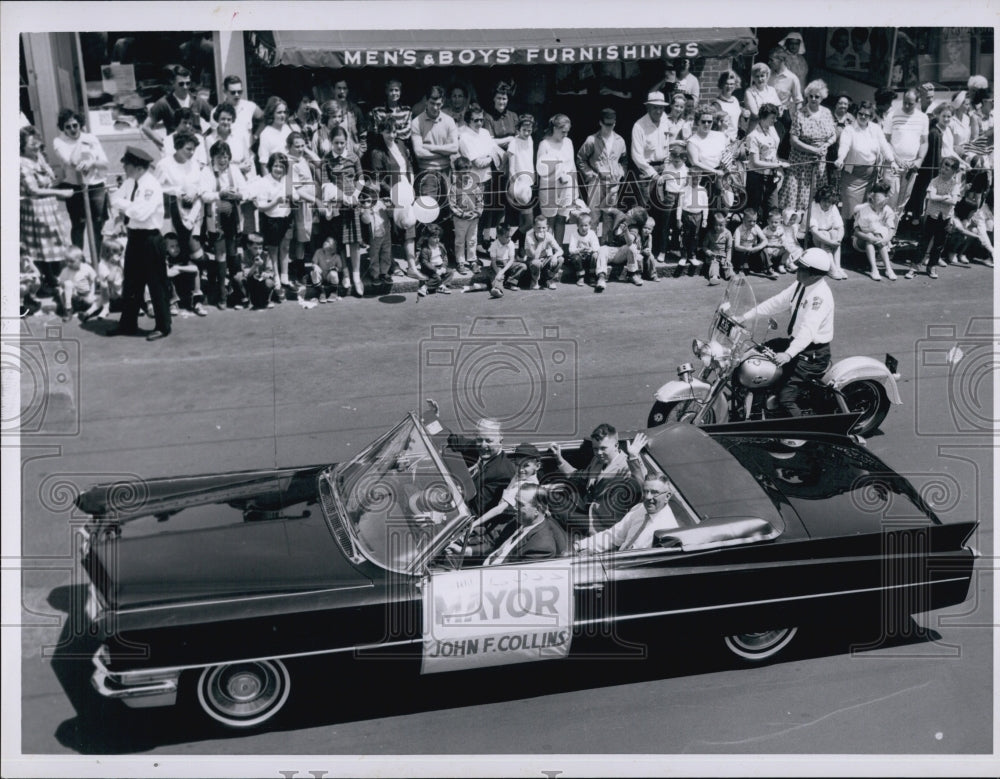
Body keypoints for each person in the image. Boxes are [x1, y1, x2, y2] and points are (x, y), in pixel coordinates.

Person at [739, 247, 835, 417]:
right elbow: (777, 302)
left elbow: (808, 331)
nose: (797, 270)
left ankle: (803, 436)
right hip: (796, 344)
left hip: (812, 354)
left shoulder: (820, 297)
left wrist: (788, 354)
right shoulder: (801, 284)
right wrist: (745, 317)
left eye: (802, 268)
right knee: (755, 353)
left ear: (816, 274)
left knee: (786, 398)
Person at [107, 146, 171, 340]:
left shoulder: (150, 185)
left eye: (127, 164)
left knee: (156, 284)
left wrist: (125, 206)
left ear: (138, 167)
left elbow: (141, 214)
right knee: (131, 284)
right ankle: (128, 323)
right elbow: (114, 198)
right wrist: (129, 206)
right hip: (134, 237)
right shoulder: (130, 182)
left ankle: (163, 325)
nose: (124, 168)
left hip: (150, 238)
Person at [549, 425, 648, 536]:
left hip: (603, 523)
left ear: (616, 445)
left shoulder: (626, 465)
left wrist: (634, 457)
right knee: (549, 498)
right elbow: (578, 477)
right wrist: (559, 459)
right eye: (595, 449)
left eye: (603, 448)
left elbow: (640, 489)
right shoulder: (597, 460)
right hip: (586, 510)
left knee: (551, 508)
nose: (599, 453)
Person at [20, 126, 73, 293]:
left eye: (37, 143)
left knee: (54, 245)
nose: (36, 147)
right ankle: (44, 281)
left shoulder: (39, 158)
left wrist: (63, 181)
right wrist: (59, 192)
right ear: (21, 145)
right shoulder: (21, 163)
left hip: (49, 208)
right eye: (31, 144)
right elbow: (33, 190)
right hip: (35, 210)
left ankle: (53, 280)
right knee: (39, 248)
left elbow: (49, 181)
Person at [574, 475, 680, 553]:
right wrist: (581, 545)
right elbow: (614, 535)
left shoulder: (668, 529)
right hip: (617, 558)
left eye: (654, 492)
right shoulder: (640, 508)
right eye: (646, 491)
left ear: (667, 496)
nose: (648, 497)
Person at [52, 108, 109, 253]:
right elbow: (70, 162)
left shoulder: (91, 138)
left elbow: (104, 163)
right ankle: (79, 262)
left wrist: (92, 163)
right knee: (78, 225)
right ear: (62, 128)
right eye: (68, 127)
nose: (72, 129)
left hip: (95, 185)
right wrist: (82, 143)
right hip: (74, 186)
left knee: (98, 224)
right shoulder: (59, 141)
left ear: (80, 124)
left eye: (75, 125)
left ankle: (98, 259)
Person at [368, 116, 418, 277]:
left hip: (406, 191)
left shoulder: (401, 144)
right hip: (389, 195)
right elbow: (378, 178)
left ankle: (412, 267)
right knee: (389, 231)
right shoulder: (377, 153)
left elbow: (409, 164)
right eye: (388, 131)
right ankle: (392, 265)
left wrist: (411, 185)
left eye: (394, 131)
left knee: (409, 227)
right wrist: (393, 192)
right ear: (381, 131)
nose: (391, 135)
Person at [202, 140, 249, 307]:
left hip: (233, 219)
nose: (223, 160)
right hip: (216, 220)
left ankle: (238, 293)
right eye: (219, 157)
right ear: (213, 157)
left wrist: (238, 195)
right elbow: (204, 195)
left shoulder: (234, 170)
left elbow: (246, 191)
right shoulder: (207, 171)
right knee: (220, 255)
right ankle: (222, 295)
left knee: (233, 255)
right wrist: (219, 194)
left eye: (226, 157)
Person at [834, 100, 897, 222]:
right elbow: (844, 145)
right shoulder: (849, 130)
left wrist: (892, 161)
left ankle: (858, 239)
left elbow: (884, 146)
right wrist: (840, 158)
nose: (863, 117)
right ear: (856, 113)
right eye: (860, 113)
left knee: (866, 210)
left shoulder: (876, 129)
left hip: (870, 178)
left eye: (866, 115)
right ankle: (846, 237)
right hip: (852, 177)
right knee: (851, 210)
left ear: (871, 116)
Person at [322, 127, 366, 296]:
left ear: (346, 142)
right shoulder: (327, 160)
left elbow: (361, 178)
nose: (339, 146)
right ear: (331, 142)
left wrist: (355, 194)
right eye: (336, 143)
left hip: (353, 205)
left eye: (342, 142)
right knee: (340, 242)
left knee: (355, 243)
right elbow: (326, 185)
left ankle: (356, 276)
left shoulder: (353, 157)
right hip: (337, 207)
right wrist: (342, 197)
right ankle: (345, 273)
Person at [780, 80, 837, 213]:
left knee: (816, 195)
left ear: (822, 97)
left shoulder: (827, 113)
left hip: (819, 164)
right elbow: (793, 140)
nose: (813, 99)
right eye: (810, 96)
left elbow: (833, 135)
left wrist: (826, 145)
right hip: (800, 162)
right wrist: (813, 150)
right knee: (796, 198)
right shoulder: (800, 114)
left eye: (817, 96)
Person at [446, 418, 517, 517]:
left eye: (489, 441)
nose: (483, 445)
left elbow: (475, 510)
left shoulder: (502, 473)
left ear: (501, 440)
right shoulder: (477, 447)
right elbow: (450, 438)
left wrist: (455, 495)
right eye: (479, 439)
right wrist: (432, 417)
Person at [576, 108, 627, 245]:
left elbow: (624, 160)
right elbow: (581, 159)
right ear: (600, 122)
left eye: (611, 124)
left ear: (615, 123)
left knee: (609, 215)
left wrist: (620, 174)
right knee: (594, 215)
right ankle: (590, 246)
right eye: (606, 124)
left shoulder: (620, 140)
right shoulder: (591, 140)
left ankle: (606, 244)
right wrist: (590, 174)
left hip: (613, 183)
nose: (609, 127)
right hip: (596, 182)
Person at [483, 483, 567, 565]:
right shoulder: (519, 521)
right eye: (515, 502)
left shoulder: (540, 547)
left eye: (520, 504)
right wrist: (471, 550)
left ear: (537, 509)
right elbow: (495, 544)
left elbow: (514, 577)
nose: (514, 507)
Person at [907, 155, 962, 279]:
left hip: (945, 218)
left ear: (954, 172)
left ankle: (932, 266)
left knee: (939, 244)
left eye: (947, 169)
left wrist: (941, 197)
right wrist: (945, 197)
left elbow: (954, 201)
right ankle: (914, 267)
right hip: (932, 216)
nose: (943, 170)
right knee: (923, 242)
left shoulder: (955, 185)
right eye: (942, 167)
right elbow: (931, 197)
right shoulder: (934, 181)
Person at [457, 104, 502, 253]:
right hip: (474, 180)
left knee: (486, 211)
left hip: (488, 178)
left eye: (481, 120)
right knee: (475, 214)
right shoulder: (464, 137)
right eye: (475, 120)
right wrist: (491, 156)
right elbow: (477, 163)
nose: (479, 123)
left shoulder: (484, 133)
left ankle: (481, 243)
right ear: (468, 121)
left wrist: (489, 156)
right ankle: (472, 248)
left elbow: (494, 151)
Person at [631, 92, 671, 252]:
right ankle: (642, 249)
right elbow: (637, 155)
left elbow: (669, 146)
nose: (658, 111)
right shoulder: (639, 126)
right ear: (648, 107)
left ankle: (660, 249)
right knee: (646, 210)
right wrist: (653, 174)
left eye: (661, 108)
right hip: (646, 171)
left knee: (664, 210)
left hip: (664, 168)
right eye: (655, 108)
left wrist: (667, 169)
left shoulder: (666, 122)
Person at [141, 66, 211, 152]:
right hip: (175, 150)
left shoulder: (198, 101)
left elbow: (215, 121)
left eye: (188, 83)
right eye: (181, 84)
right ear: (173, 83)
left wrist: (205, 138)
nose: (185, 87)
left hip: (196, 150)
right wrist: (164, 144)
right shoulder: (164, 103)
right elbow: (146, 127)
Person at [481, 81, 519, 243]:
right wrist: (509, 139)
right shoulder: (487, 116)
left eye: (504, 99)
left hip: (510, 164)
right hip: (493, 165)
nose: (502, 102)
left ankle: (499, 236)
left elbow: (519, 139)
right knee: (491, 202)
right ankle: (485, 236)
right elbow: (488, 141)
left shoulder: (513, 116)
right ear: (493, 99)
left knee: (505, 201)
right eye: (499, 98)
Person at [410, 85, 459, 206]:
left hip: (446, 171)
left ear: (443, 102)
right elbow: (419, 153)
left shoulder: (449, 121)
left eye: (438, 104)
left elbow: (454, 148)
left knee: (447, 208)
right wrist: (444, 152)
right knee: (428, 208)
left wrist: (430, 147)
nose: (435, 107)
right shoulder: (416, 122)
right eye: (432, 103)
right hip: (427, 172)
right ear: (426, 101)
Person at [252, 151, 294, 290]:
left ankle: (285, 277)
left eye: (282, 167)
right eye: (276, 166)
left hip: (286, 218)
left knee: (286, 247)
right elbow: (262, 207)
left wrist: (294, 197)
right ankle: (275, 276)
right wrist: (276, 202)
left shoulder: (286, 180)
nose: (279, 169)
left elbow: (296, 195)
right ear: (270, 166)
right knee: (273, 249)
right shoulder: (264, 182)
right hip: (271, 220)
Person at [535, 114, 577, 246]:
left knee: (562, 219)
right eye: (563, 131)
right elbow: (541, 169)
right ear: (554, 128)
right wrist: (558, 176)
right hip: (550, 187)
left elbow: (572, 165)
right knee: (549, 220)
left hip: (567, 186)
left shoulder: (568, 142)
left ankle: (558, 251)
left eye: (567, 132)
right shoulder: (544, 144)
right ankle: (547, 250)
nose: (565, 134)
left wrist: (575, 189)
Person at [886, 89, 929, 216]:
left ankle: (892, 231)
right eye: (904, 102)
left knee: (903, 201)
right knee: (891, 198)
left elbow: (924, 142)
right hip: (893, 164)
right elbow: (886, 141)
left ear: (917, 102)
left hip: (911, 166)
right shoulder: (892, 115)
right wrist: (896, 159)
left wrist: (919, 160)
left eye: (910, 104)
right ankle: (885, 231)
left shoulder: (923, 118)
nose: (906, 106)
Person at [285, 131, 318, 286]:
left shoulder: (302, 158)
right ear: (289, 147)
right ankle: (300, 272)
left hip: (309, 203)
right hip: (302, 203)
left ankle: (303, 267)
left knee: (306, 236)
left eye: (302, 145)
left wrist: (305, 149)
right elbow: (297, 190)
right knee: (300, 238)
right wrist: (316, 200)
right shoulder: (291, 163)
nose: (300, 149)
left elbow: (318, 162)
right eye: (296, 146)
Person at [745, 104, 788, 217]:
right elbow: (755, 162)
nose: (775, 120)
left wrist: (777, 165)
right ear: (763, 118)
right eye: (772, 118)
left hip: (770, 177)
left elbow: (772, 153)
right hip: (756, 177)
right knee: (753, 212)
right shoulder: (753, 136)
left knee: (773, 211)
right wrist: (777, 165)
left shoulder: (771, 132)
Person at [852, 182, 898, 281]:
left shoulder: (887, 210)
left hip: (879, 239)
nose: (881, 204)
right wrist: (868, 237)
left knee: (877, 235)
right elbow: (856, 232)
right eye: (878, 201)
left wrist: (886, 240)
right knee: (869, 235)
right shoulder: (863, 209)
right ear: (872, 199)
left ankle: (888, 269)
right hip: (861, 240)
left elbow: (891, 229)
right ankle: (874, 269)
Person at [686, 107, 730, 208]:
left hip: (721, 176)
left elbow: (727, 153)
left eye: (709, 121)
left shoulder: (720, 136)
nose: (707, 124)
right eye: (703, 121)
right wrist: (715, 172)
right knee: (706, 208)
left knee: (722, 208)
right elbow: (695, 162)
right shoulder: (692, 141)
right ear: (698, 122)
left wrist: (727, 166)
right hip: (703, 179)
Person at [448, 155, 484, 274]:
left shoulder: (475, 186)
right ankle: (460, 261)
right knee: (460, 240)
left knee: (472, 239)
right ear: (457, 173)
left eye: (468, 172)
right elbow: (452, 205)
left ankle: (472, 260)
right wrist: (462, 214)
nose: (466, 175)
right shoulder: (454, 188)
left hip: (473, 218)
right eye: (463, 173)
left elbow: (480, 201)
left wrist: (477, 212)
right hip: (460, 219)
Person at [656, 142, 689, 256]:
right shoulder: (667, 168)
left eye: (678, 161)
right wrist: (661, 196)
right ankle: (662, 250)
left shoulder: (686, 170)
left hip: (681, 197)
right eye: (674, 160)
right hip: (669, 197)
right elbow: (660, 183)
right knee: (665, 224)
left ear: (684, 159)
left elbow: (688, 187)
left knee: (678, 223)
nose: (676, 163)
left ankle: (675, 247)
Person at [506, 114, 537, 236]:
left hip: (529, 184)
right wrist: (516, 187)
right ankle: (512, 243)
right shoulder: (514, 143)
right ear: (518, 129)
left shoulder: (530, 140)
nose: (527, 133)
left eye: (529, 130)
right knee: (527, 222)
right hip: (518, 186)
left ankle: (519, 251)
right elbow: (512, 169)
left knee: (525, 222)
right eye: (524, 130)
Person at [163, 231, 206, 316]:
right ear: (166, 248)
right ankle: (173, 304)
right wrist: (182, 270)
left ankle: (197, 302)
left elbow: (195, 268)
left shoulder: (182, 255)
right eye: (172, 246)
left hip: (184, 286)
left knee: (195, 272)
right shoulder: (165, 257)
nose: (176, 248)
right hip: (172, 288)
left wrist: (178, 268)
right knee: (167, 278)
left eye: (177, 245)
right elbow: (168, 273)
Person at [809, 184, 847, 280]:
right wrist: (830, 242)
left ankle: (837, 267)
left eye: (829, 202)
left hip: (829, 237)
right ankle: (831, 268)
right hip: (815, 238)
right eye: (824, 201)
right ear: (819, 199)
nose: (827, 204)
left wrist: (838, 240)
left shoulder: (833, 207)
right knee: (825, 234)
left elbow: (840, 227)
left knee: (835, 233)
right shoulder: (813, 206)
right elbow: (814, 231)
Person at [58, 246, 100, 321]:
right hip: (73, 296)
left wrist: (91, 293)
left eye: (71, 261)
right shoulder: (65, 270)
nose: (68, 264)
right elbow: (61, 284)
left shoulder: (86, 268)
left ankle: (87, 313)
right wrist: (70, 289)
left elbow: (93, 281)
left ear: (80, 259)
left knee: (97, 300)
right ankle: (68, 310)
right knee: (67, 284)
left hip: (85, 294)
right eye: (66, 261)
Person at [676, 172, 709, 270]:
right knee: (684, 235)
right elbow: (679, 206)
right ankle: (683, 256)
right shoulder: (683, 190)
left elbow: (705, 206)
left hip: (698, 215)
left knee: (695, 236)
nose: (695, 181)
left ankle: (692, 256)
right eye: (693, 179)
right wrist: (678, 219)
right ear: (689, 178)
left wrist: (705, 219)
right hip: (686, 215)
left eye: (698, 179)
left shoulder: (703, 190)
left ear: (700, 179)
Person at [523, 214, 565, 289]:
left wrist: (555, 256)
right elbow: (535, 257)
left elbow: (560, 250)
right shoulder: (529, 236)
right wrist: (541, 242)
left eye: (544, 228)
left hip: (544, 259)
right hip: (532, 261)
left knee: (560, 259)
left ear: (547, 227)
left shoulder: (548, 235)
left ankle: (549, 279)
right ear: (534, 227)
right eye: (538, 228)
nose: (541, 230)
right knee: (536, 263)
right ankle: (534, 281)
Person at [368, 78, 413, 143]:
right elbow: (377, 131)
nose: (394, 93)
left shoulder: (407, 110)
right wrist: (394, 133)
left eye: (396, 90)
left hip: (402, 144)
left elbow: (407, 131)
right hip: (383, 144)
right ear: (386, 91)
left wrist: (390, 133)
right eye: (391, 90)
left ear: (400, 92)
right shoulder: (378, 110)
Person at [220, 75, 262, 141]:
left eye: (239, 92)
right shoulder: (218, 111)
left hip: (247, 150)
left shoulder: (250, 106)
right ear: (225, 92)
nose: (237, 95)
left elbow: (265, 119)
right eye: (233, 92)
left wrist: (256, 135)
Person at [416, 224, 454, 296]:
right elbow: (425, 262)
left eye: (438, 237)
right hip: (429, 269)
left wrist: (443, 267)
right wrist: (435, 270)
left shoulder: (440, 246)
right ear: (427, 238)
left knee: (450, 272)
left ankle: (442, 286)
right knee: (437, 278)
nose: (437, 240)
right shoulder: (425, 249)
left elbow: (445, 257)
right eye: (434, 237)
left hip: (440, 266)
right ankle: (425, 287)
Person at [566, 211, 601, 286]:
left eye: (586, 225)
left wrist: (591, 249)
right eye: (581, 225)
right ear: (577, 225)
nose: (583, 228)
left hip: (589, 257)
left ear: (590, 226)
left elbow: (597, 247)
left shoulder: (592, 233)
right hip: (579, 258)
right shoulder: (574, 234)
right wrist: (579, 250)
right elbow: (571, 249)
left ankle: (592, 276)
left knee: (595, 255)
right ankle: (580, 276)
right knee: (575, 258)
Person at [744, 62, 782, 132]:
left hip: (771, 128)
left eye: (762, 76)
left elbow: (779, 110)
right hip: (755, 128)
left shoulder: (772, 90)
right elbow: (755, 113)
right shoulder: (749, 92)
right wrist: (773, 112)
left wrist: (775, 111)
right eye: (757, 76)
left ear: (767, 76)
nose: (760, 79)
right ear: (753, 78)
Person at [733, 207, 770, 276]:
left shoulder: (756, 227)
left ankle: (769, 268)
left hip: (753, 250)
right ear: (744, 220)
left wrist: (758, 247)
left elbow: (765, 240)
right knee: (740, 255)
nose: (752, 223)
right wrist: (746, 249)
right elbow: (736, 246)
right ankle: (742, 268)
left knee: (764, 249)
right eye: (749, 221)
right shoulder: (739, 229)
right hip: (743, 251)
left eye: (754, 221)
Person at [308, 235, 345, 301]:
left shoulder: (337, 257)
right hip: (321, 275)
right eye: (325, 241)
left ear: (333, 246)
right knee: (313, 272)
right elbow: (313, 263)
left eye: (328, 242)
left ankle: (334, 292)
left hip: (329, 276)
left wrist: (336, 269)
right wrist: (315, 266)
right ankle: (321, 292)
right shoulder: (318, 252)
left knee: (334, 274)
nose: (325, 242)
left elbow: (340, 268)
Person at [257, 97, 292, 168]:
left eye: (284, 112)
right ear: (272, 114)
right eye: (279, 112)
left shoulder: (287, 128)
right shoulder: (266, 134)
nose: (283, 115)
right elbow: (263, 164)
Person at [702, 210, 734, 286]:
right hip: (713, 255)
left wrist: (728, 259)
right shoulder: (710, 233)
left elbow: (729, 248)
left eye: (721, 225)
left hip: (723, 255)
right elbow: (704, 246)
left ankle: (732, 276)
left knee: (727, 265)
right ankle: (714, 277)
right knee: (714, 264)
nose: (718, 227)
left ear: (725, 224)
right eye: (716, 225)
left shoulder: (728, 233)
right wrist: (708, 251)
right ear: (713, 224)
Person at [713, 71, 745, 142]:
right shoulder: (717, 103)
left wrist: (744, 111)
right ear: (721, 85)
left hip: (735, 139)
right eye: (726, 84)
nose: (729, 86)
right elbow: (716, 126)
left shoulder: (735, 100)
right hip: (723, 140)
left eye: (732, 84)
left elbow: (736, 111)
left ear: (735, 85)